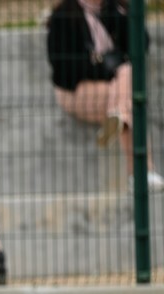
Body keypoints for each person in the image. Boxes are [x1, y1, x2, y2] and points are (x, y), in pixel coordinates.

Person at [46, 0, 164, 192]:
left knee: (128, 87)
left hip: (116, 85)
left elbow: (141, 46)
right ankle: (142, 173)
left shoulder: (116, 9)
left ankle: (118, 117)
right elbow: (65, 69)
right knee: (128, 91)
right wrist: (107, 70)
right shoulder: (65, 15)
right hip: (76, 89)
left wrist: (117, 15)